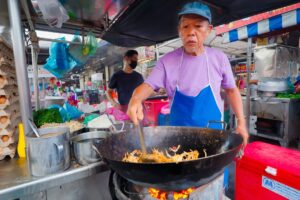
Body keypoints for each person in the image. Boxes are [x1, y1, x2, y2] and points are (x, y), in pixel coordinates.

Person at [127, 2, 249, 145]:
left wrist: (241, 122)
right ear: (180, 30)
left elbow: (231, 90)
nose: (191, 32)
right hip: (178, 141)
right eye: (185, 26)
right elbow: (148, 86)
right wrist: (135, 98)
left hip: (214, 138)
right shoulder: (166, 61)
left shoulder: (219, 58)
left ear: (209, 29)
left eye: (198, 26)